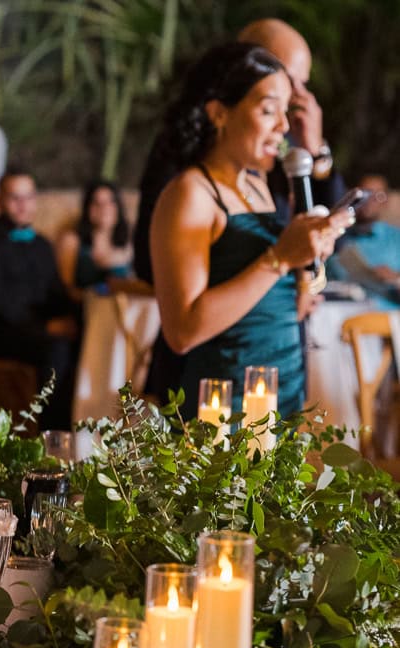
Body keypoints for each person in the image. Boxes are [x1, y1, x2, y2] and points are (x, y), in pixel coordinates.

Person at [134, 18, 345, 399]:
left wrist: (304, 263)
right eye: (269, 110)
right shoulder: (189, 190)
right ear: (219, 112)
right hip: (220, 398)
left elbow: (269, 294)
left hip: (283, 386)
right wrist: (280, 258)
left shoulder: (259, 183)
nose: (284, 125)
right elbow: (181, 330)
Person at [0, 167, 80, 430]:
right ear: (0, 200)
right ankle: (54, 438)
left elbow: (56, 294)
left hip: (39, 330)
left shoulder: (42, 245)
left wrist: (77, 315)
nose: (23, 205)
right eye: (15, 198)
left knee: (88, 336)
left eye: (28, 197)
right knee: (57, 348)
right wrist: (44, 327)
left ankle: (88, 430)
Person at [56, 180, 135, 297]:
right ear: (87, 208)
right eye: (96, 203)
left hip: (127, 308)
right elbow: (65, 289)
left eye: (110, 202)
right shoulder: (71, 240)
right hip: (89, 308)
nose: (104, 208)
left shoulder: (129, 240)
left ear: (118, 207)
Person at [330, 174, 400, 305]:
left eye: (377, 196)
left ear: (386, 202)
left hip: (385, 316)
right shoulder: (337, 237)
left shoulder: (396, 239)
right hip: (340, 312)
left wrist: (396, 278)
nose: (369, 202)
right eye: (364, 195)